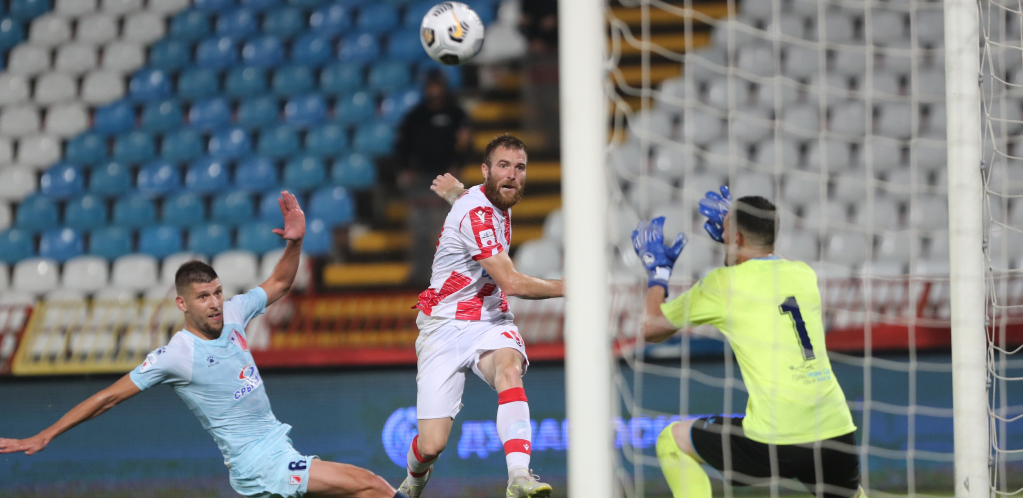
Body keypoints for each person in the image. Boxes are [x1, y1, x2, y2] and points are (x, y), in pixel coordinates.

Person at [0, 192, 409, 498]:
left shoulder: (233, 312)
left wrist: (295, 242)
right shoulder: (177, 355)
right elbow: (108, 397)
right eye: (203, 297)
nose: (214, 303)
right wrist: (45, 435)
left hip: (278, 450)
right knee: (371, 486)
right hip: (261, 465)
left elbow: (280, 283)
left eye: (216, 292)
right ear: (182, 303)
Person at [634, 186, 864, 498]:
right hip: (836, 430)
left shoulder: (721, 285)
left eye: (727, 232)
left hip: (776, 439)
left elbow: (650, 327)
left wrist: (658, 275)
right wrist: (737, 235)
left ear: (738, 238)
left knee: (671, 440)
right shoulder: (803, 274)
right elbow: (766, 259)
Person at [398, 134, 562, 498]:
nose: (512, 175)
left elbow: (475, 206)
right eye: (503, 166)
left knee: (508, 370)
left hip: (489, 319)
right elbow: (512, 282)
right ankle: (413, 480)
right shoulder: (476, 212)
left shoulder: (494, 198)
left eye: (519, 168)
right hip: (442, 325)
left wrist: (457, 193)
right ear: (486, 170)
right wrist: (573, 286)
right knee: (432, 445)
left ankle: (519, 476)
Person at [395, 68, 472, 286]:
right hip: (421, 180)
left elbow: (466, 145)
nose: (434, 91)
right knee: (419, 231)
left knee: (446, 231)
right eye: (431, 87)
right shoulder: (416, 116)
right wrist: (405, 169)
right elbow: (402, 146)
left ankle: (449, 276)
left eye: (437, 86)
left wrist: (458, 165)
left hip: (448, 179)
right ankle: (420, 275)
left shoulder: (457, 115)